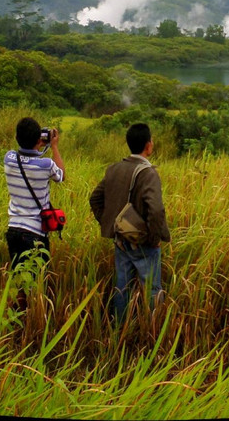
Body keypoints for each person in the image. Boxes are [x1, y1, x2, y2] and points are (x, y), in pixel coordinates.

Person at [89, 122, 171, 321]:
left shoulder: (114, 169)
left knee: (122, 287)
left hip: (120, 239)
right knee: (151, 289)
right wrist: (153, 239)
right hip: (144, 242)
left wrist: (111, 224)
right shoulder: (148, 173)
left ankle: (119, 330)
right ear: (148, 145)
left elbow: (95, 199)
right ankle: (152, 332)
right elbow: (156, 209)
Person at [3, 117, 66, 288]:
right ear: (39, 140)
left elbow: (24, 155)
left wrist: (38, 144)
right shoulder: (46, 165)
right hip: (35, 233)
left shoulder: (9, 158)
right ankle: (35, 313)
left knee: (19, 281)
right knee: (37, 284)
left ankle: (19, 313)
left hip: (13, 230)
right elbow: (61, 175)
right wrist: (53, 146)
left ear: (17, 138)